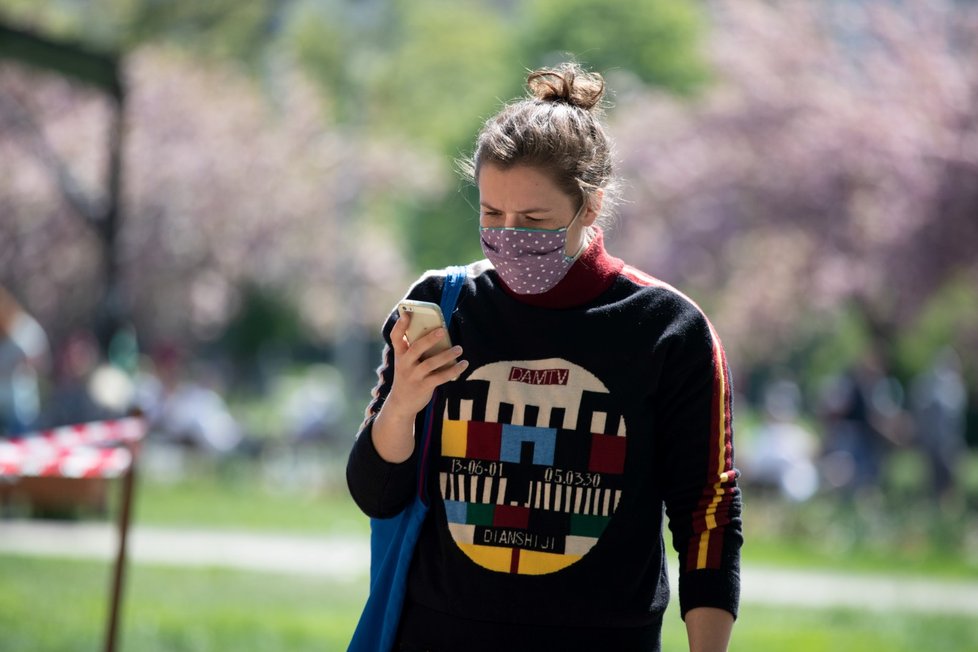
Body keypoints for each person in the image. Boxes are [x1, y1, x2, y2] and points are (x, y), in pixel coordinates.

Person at [347, 63, 742, 652]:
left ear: (590, 205)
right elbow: (376, 495)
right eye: (490, 214)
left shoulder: (670, 330)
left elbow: (706, 509)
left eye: (532, 220)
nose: (508, 234)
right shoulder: (440, 306)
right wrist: (403, 402)